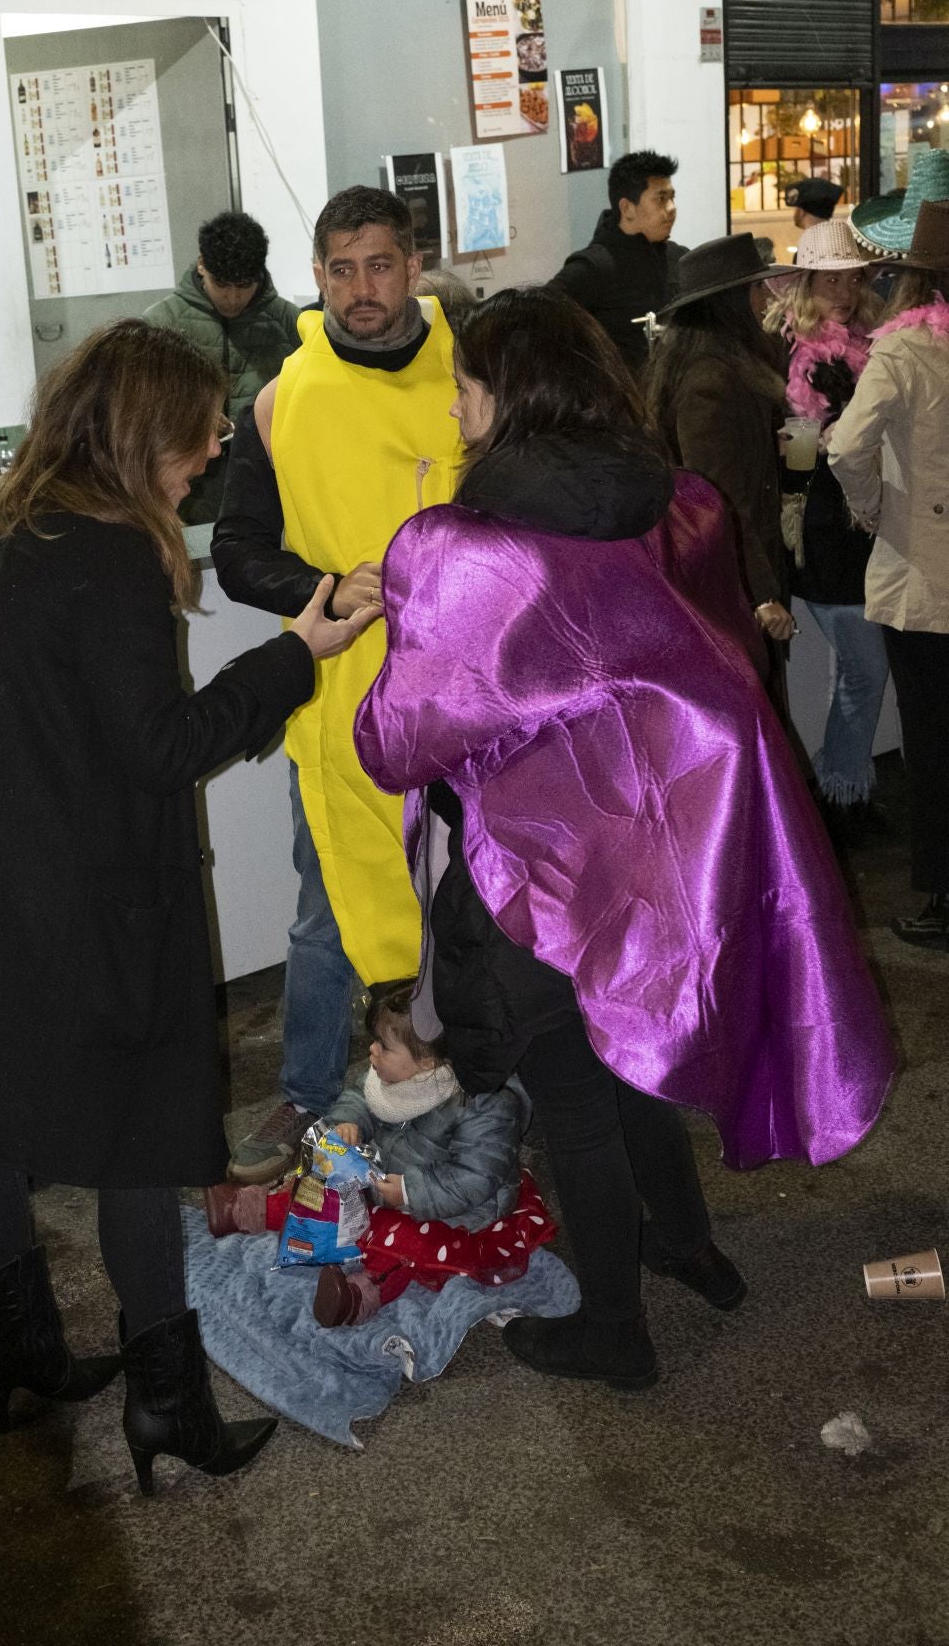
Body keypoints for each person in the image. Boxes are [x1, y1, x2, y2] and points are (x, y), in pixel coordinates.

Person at [353, 287, 896, 1389]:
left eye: (461, 386)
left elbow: (393, 741)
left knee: (571, 1104)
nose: (451, 406)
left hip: (536, 875)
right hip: (664, 864)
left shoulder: (461, 551)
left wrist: (390, 620)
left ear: (507, 399)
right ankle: (687, 1244)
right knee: (630, 1065)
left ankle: (612, 1328)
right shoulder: (678, 505)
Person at [0, 319, 378, 1492]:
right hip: (80, 900)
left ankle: (27, 1352)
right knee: (140, 1141)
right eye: (197, 429)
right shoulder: (107, 554)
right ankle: (168, 1406)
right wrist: (298, 649)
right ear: (141, 430)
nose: (209, 449)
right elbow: (163, 749)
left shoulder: (3, 529)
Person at [212, 185, 462, 1185]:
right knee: (328, 914)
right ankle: (312, 1094)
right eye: (342, 269)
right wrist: (322, 587)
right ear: (315, 276)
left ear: (411, 264)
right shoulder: (279, 401)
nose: (363, 289)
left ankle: (473, 1083)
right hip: (335, 706)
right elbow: (236, 553)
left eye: (381, 264)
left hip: (467, 700)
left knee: (474, 903)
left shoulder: (470, 376)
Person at [203, 982, 552, 1328]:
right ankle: (252, 1208)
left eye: (383, 1046)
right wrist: (349, 1123)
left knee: (406, 1244)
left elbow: (475, 1180)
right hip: (381, 1178)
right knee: (318, 1187)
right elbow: (359, 1096)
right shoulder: (396, 1074)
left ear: (428, 1062)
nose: (371, 1051)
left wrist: (412, 1192)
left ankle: (364, 1293)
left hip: (454, 1212)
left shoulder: (484, 1106)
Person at [829, 198, 949, 947]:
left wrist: (873, 509)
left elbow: (844, 446)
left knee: (934, 743)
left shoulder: (905, 354)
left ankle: (943, 897)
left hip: (925, 577)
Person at [764, 219, 887, 839]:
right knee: (865, 665)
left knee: (861, 667)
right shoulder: (790, 352)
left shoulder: (870, 344)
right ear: (805, 283)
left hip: (862, 521)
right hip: (819, 526)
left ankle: (845, 788)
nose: (842, 290)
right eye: (829, 279)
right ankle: (838, 794)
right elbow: (792, 448)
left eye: (851, 278)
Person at [645, 233, 797, 688]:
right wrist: (761, 592)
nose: (764, 299)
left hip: (732, 579)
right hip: (730, 587)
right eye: (756, 288)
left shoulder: (719, 368)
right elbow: (718, 499)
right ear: (733, 301)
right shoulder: (710, 384)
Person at [143, 211, 301, 523]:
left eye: (243, 285)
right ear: (202, 264)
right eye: (222, 284)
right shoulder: (158, 327)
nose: (232, 297)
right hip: (185, 496)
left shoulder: (292, 325)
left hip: (271, 495)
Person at [548, 149, 685, 372]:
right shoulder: (592, 267)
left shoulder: (678, 257)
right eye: (660, 199)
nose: (671, 208)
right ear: (627, 208)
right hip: (618, 400)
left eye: (672, 197)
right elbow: (536, 321)